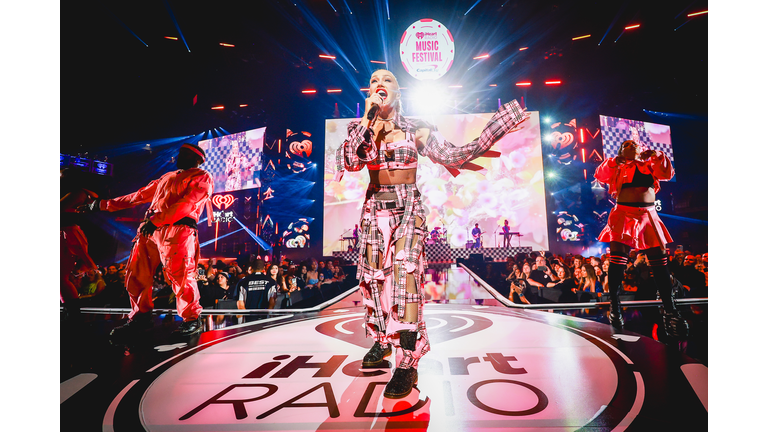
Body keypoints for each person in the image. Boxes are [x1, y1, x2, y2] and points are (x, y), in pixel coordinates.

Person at [334, 68, 528, 399]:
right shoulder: (359, 128)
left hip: (409, 207)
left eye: (388, 80)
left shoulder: (416, 127)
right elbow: (350, 161)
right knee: (375, 283)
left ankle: (407, 361)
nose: (381, 84)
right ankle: (382, 342)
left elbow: (453, 155)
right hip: (374, 210)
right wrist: (368, 122)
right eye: (375, 81)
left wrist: (496, 129)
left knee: (405, 272)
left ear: (398, 91)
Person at [81, 143, 213, 338]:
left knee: (181, 275)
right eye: (180, 153)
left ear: (197, 160)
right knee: (136, 273)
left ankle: (192, 319)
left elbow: (187, 204)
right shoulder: (168, 177)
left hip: (178, 229)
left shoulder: (202, 177)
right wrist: (101, 205)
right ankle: (140, 317)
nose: (178, 156)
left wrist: (157, 220)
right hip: (150, 229)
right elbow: (137, 196)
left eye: (184, 154)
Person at [594, 139, 688, 338]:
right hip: (623, 214)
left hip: (648, 215)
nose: (631, 146)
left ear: (640, 150)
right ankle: (615, 306)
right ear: (621, 151)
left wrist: (655, 155)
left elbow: (667, 173)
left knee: (660, 264)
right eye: (627, 145)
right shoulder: (617, 165)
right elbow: (600, 175)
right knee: (617, 264)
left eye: (634, 144)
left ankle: (670, 310)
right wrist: (615, 161)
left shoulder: (649, 164)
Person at [60, 168, 100, 320]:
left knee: (61, 278)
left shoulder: (79, 193)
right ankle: (72, 312)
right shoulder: (80, 192)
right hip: (65, 232)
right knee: (61, 278)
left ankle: (73, 314)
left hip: (66, 234)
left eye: (62, 174)